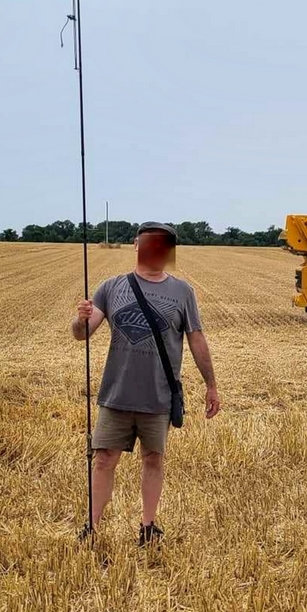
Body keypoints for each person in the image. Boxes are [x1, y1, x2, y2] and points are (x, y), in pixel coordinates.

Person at [71, 221, 221, 544]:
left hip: (158, 396)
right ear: (136, 246)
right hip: (116, 394)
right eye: (150, 242)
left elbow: (196, 338)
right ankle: (92, 527)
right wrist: (80, 319)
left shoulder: (183, 292)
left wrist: (211, 384)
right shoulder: (111, 287)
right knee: (103, 459)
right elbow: (83, 334)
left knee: (153, 459)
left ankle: (148, 527)